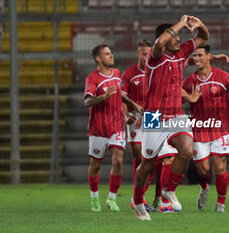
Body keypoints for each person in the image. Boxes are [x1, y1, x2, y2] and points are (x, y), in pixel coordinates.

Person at [130, 15, 209, 221]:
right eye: (175, 37)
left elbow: (203, 37)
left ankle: (169, 190)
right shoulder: (155, 57)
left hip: (176, 114)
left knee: (186, 149)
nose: (179, 40)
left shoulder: (182, 53)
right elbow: (159, 42)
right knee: (147, 164)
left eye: (180, 37)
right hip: (154, 116)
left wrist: (198, 24)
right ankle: (137, 200)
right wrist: (181, 22)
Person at [182, 45, 229, 212]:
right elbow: (176, 102)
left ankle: (220, 204)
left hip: (221, 129)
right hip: (200, 130)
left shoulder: (224, 77)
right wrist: (189, 99)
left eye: (200, 55)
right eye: (194, 56)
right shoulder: (189, 82)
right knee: (203, 170)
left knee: (220, 167)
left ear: (209, 56)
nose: (196, 59)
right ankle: (204, 188)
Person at [84, 44, 143, 212]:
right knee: (95, 165)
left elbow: (120, 95)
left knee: (118, 161)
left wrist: (134, 105)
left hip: (117, 125)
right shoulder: (92, 78)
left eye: (111, 53)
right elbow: (87, 101)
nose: (111, 56)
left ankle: (112, 198)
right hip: (99, 128)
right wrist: (103, 96)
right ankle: (94, 198)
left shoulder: (117, 74)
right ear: (98, 58)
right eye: (107, 54)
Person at [121, 40, 177, 213]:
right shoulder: (129, 74)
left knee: (165, 158)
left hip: (154, 116)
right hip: (136, 118)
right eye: (144, 54)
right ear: (138, 54)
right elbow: (121, 97)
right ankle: (140, 198)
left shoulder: (157, 69)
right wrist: (126, 114)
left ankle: (160, 199)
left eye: (149, 54)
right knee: (142, 158)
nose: (147, 57)